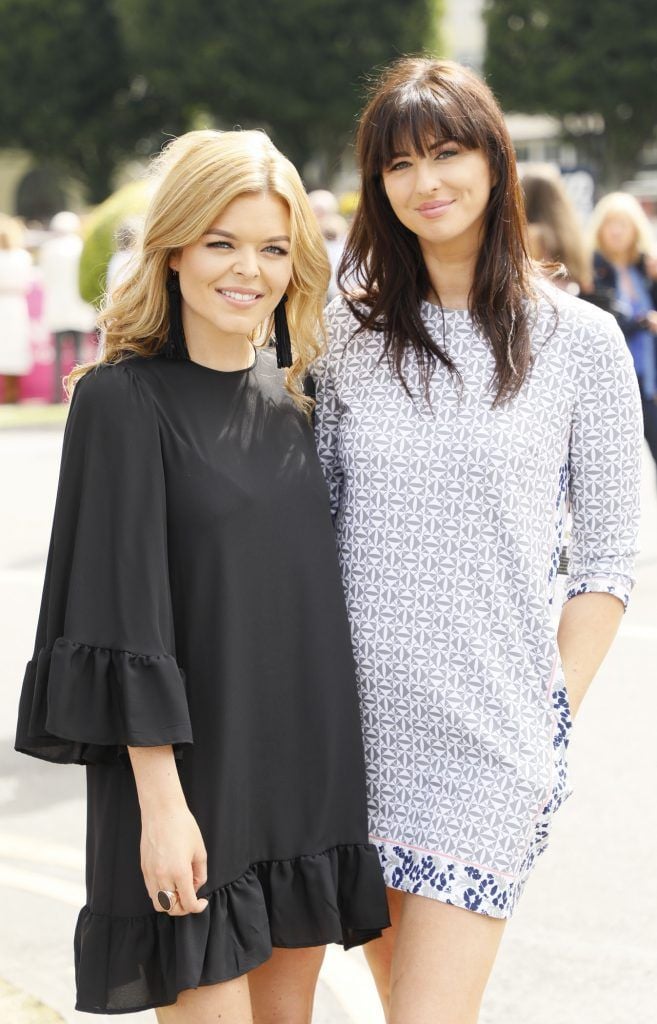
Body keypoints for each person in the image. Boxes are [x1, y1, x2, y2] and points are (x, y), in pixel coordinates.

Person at [15, 129, 389, 1022]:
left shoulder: (295, 398)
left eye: (270, 248)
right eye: (221, 242)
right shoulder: (120, 400)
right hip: (189, 784)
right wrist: (162, 807)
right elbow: (119, 619)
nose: (246, 271)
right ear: (174, 248)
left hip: (303, 776)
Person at [312, 58, 642, 1024]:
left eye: (446, 152)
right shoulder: (347, 337)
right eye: (398, 165)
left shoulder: (581, 343)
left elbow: (607, 562)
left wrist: (550, 716)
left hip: (489, 738)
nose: (426, 182)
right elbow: (314, 521)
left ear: (495, 162)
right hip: (347, 729)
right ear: (376, 187)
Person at [589, 190, 657, 480]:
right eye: (610, 223)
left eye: (623, 223)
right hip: (610, 380)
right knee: (612, 468)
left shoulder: (646, 268)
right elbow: (607, 319)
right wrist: (643, 321)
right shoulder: (592, 270)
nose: (616, 231)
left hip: (649, 377)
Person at [39, 211, 95, 402]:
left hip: (57, 307)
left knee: (58, 355)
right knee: (80, 355)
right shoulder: (81, 247)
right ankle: (80, 393)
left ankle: (57, 395)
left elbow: (44, 279)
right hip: (77, 306)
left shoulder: (49, 249)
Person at [521, 165, 592, 294]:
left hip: (540, 304)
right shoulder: (571, 232)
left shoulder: (527, 235)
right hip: (571, 300)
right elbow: (585, 279)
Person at [0, 214, 33, 403]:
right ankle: (13, 394)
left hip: (7, 304)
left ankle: (10, 395)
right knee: (13, 349)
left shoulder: (20, 257)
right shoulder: (23, 257)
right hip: (15, 306)